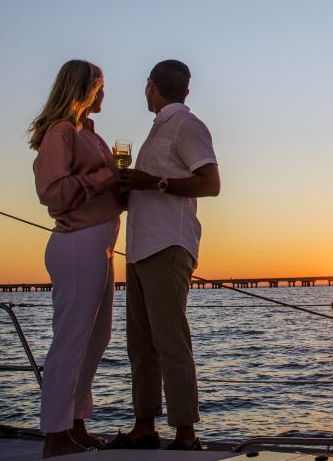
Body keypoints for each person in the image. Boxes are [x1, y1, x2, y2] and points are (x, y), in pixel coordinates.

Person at [109, 60, 220, 451]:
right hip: (140, 249)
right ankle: (144, 427)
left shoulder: (187, 126)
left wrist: (151, 182)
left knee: (171, 341)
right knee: (140, 342)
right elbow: (153, 187)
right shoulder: (160, 129)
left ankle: (186, 433)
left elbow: (211, 184)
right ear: (185, 91)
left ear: (150, 86)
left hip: (168, 248)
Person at [30, 60, 123, 457]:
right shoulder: (61, 132)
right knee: (71, 339)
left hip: (100, 243)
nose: (104, 95)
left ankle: (76, 422)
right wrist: (106, 177)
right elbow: (53, 192)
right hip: (76, 244)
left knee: (96, 338)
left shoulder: (90, 133)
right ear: (84, 90)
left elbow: (101, 184)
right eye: (99, 88)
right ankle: (55, 435)